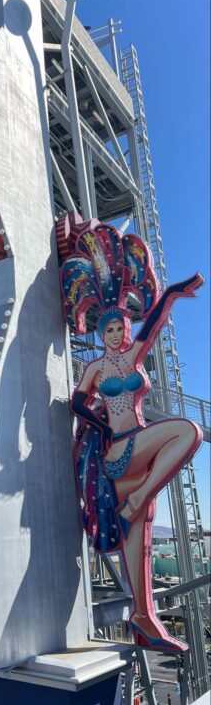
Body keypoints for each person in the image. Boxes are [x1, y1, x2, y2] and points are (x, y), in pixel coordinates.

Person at [61, 222, 204, 653]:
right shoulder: (95, 369)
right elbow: (77, 403)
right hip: (121, 451)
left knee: (139, 545)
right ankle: (139, 498)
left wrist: (172, 293)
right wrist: (103, 426)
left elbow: (154, 323)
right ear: (100, 332)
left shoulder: (134, 356)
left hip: (140, 463)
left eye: (122, 328)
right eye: (110, 330)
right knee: (187, 431)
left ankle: (144, 620)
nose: (118, 335)